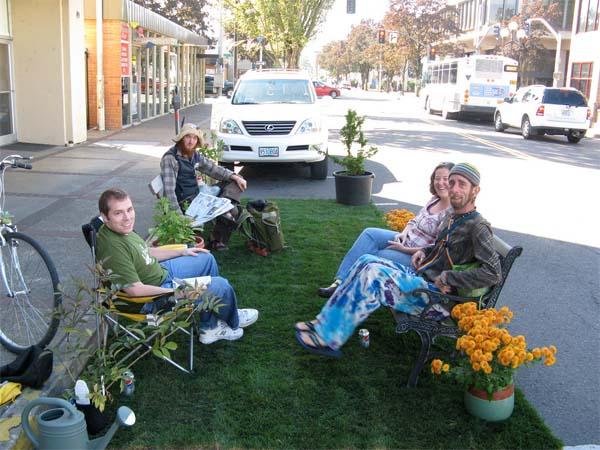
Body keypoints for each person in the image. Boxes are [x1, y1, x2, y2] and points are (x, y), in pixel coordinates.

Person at [295, 163, 502, 357]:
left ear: (475, 190)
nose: (454, 188)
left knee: (374, 275)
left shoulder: (478, 227)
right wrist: (425, 251)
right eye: (452, 182)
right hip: (423, 279)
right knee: (366, 260)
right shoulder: (453, 216)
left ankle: (328, 338)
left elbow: (493, 273)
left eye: (462, 184)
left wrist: (449, 277)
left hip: (437, 299)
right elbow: (442, 246)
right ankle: (323, 322)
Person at [95, 188, 258, 345]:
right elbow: (135, 291)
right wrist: (175, 292)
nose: (127, 217)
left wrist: (182, 252)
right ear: (105, 216)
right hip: (153, 299)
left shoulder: (122, 230)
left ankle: (210, 325)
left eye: (129, 210)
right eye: (118, 213)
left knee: (205, 258)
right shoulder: (113, 247)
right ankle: (221, 323)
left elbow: (145, 252)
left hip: (160, 274)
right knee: (220, 285)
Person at [318, 162, 455, 298]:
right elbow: (414, 221)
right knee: (369, 234)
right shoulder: (434, 199)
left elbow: (436, 248)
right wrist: (404, 232)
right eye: (437, 178)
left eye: (445, 179)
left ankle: (348, 287)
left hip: (416, 258)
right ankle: (339, 282)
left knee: (378, 254)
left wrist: (403, 249)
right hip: (406, 240)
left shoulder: (451, 213)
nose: (440, 183)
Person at [160, 123, 248, 250]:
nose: (191, 141)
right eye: (188, 137)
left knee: (236, 181)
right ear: (181, 139)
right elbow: (169, 193)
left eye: (194, 138)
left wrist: (234, 176)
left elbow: (213, 169)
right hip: (186, 204)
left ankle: (226, 206)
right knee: (232, 211)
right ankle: (217, 238)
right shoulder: (170, 159)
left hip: (198, 197)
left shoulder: (193, 154)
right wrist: (180, 217)